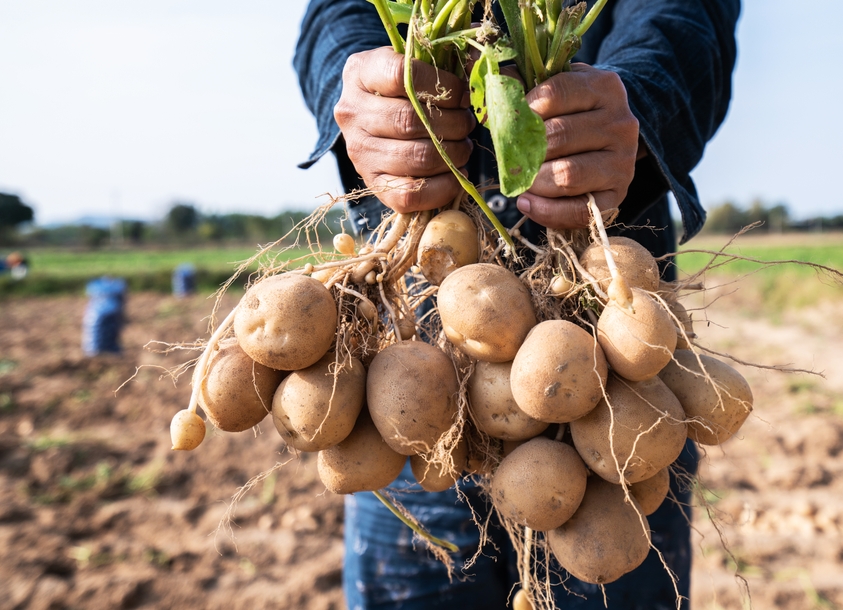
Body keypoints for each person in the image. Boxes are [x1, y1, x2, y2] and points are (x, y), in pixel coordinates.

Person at [294, 1, 739, 607]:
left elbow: (684, 16)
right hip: (412, 381)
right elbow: (336, 13)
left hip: (604, 373)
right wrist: (361, 84)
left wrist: (640, 101)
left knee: (613, 530)